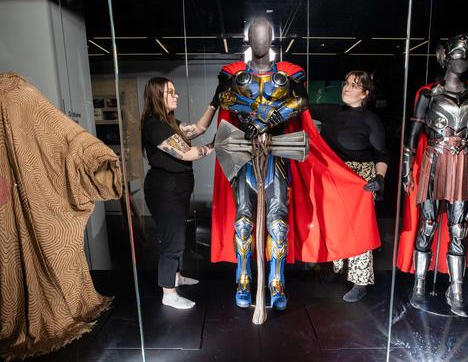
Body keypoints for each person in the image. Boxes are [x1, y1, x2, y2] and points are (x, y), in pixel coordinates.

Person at [210, 18, 381, 314]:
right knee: (243, 222)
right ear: (250, 39)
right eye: (256, 35)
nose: (260, 40)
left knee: (278, 224)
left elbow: (300, 102)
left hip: (276, 153)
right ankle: (243, 280)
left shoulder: (288, 74)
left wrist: (272, 115)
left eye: (265, 36)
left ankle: (276, 283)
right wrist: (245, 111)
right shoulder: (234, 74)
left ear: (272, 39)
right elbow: (223, 100)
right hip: (245, 155)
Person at [396, 34, 468, 317]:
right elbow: (412, 137)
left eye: (466, 55)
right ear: (445, 56)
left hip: (465, 163)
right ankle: (419, 285)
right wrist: (406, 170)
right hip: (434, 161)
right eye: (456, 55)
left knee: (458, 228)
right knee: (427, 224)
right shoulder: (429, 94)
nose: (461, 61)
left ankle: (457, 288)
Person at [310, 71, 388, 302]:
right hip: (333, 177)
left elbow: (382, 154)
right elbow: (301, 108)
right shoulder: (329, 111)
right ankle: (338, 268)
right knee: (334, 225)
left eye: (355, 85)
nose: (347, 87)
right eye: (346, 83)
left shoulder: (370, 120)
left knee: (358, 231)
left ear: (365, 94)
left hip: (358, 181)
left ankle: (360, 282)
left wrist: (379, 178)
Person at [141, 77, 217, 309]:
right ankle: (169, 293)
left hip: (176, 190)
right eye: (170, 92)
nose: (176, 95)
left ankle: (175, 276)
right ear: (157, 96)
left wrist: (214, 104)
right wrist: (217, 145)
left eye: (175, 91)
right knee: (171, 240)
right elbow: (187, 154)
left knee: (177, 235)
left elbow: (198, 128)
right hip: (165, 191)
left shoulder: (170, 122)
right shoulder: (154, 125)